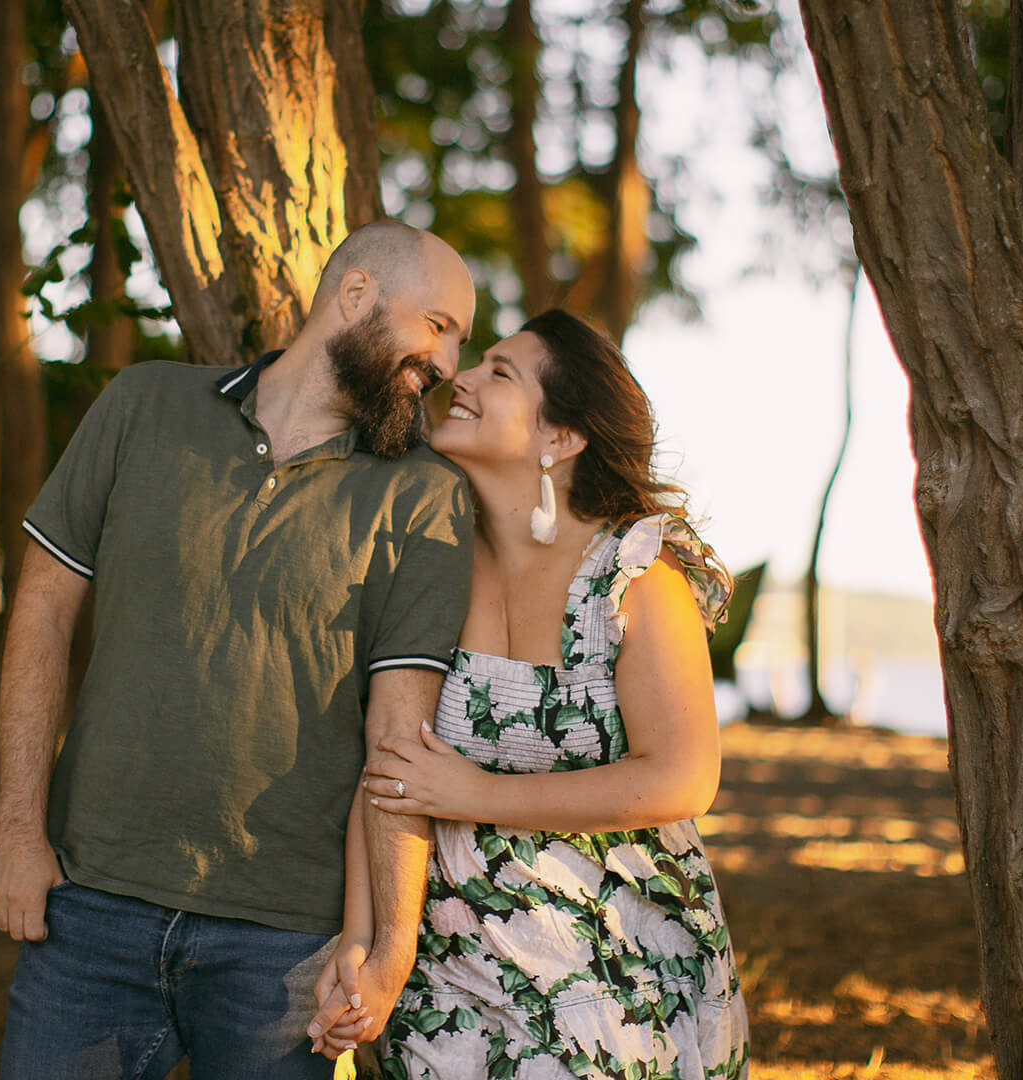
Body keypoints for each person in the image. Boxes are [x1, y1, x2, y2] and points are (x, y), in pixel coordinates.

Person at [0, 220, 480, 1079]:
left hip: (284, 946)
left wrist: (390, 947)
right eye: (437, 326)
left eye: (461, 342)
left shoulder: (425, 494)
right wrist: (18, 833)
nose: (446, 363)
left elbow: (399, 737)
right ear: (355, 294)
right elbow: (41, 611)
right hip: (90, 904)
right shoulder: (144, 404)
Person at [308, 309, 752, 1077]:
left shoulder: (634, 574)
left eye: (500, 373)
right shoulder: (429, 562)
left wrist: (476, 793)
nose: (461, 378)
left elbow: (682, 777)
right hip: (455, 972)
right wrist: (364, 941)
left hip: (616, 973)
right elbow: (390, 769)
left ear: (561, 436)